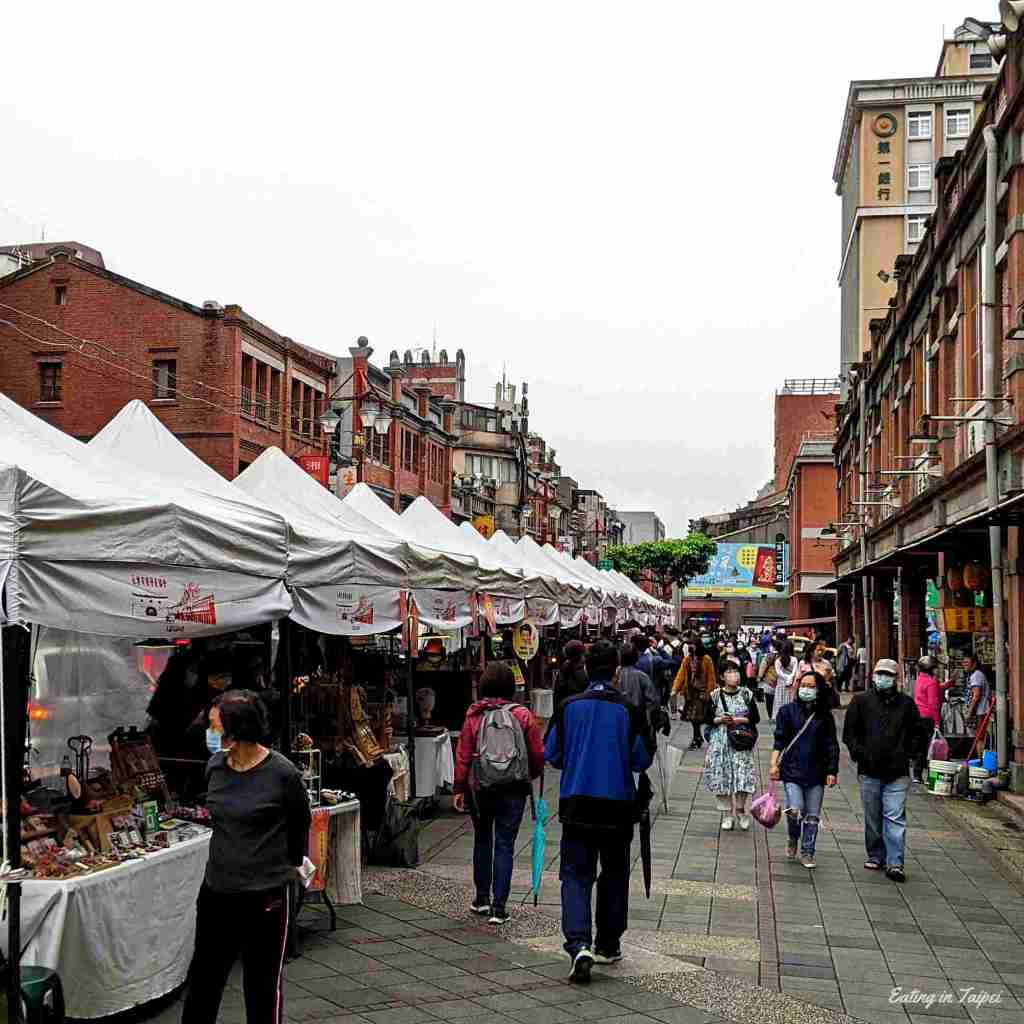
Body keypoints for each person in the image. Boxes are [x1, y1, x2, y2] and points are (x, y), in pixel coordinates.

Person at [181, 691, 312, 1024]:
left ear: (236, 730)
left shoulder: (282, 773)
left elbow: (300, 822)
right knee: (204, 981)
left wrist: (289, 862)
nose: (208, 732)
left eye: (214, 726)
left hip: (265, 896)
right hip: (217, 891)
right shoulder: (215, 766)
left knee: (262, 986)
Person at [545, 640, 652, 983]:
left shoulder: (568, 707)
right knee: (614, 874)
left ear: (587, 670)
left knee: (575, 875)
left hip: (576, 802)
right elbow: (641, 759)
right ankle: (607, 943)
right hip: (618, 806)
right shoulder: (628, 709)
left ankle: (578, 944)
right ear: (616, 671)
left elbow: (552, 754)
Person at [453, 662, 545, 924]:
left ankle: (481, 898)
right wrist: (529, 774)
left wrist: (459, 787)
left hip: (480, 789)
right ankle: (499, 907)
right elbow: (537, 754)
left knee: (482, 840)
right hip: (513, 789)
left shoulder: (474, 715)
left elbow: (463, 755)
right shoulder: (523, 715)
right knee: (505, 844)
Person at [842, 658, 924, 883]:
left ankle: (895, 862)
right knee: (873, 815)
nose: (883, 678)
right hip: (869, 769)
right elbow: (850, 732)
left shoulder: (907, 704)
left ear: (896, 678)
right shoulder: (861, 701)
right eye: (880, 674)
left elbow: (918, 733)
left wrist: (909, 753)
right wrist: (859, 752)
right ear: (874, 676)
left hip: (897, 771)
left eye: (888, 674)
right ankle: (876, 854)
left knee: (895, 816)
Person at [769, 670, 839, 868]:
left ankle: (808, 852)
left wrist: (832, 771)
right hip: (792, 770)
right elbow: (779, 740)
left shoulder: (825, 716)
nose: (806, 689)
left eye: (811, 686)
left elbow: (832, 745)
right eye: (803, 685)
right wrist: (773, 764)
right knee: (795, 809)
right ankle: (793, 837)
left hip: (817, 772)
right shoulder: (787, 712)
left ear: (818, 690)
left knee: (812, 816)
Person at [703, 661, 760, 831]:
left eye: (736, 671)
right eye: (729, 672)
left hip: (740, 741)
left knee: (743, 775)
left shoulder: (746, 694)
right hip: (720, 742)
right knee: (722, 776)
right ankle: (727, 814)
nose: (734, 675)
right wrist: (720, 719)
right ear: (722, 676)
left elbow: (755, 718)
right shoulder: (714, 695)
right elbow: (707, 718)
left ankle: (741, 811)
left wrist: (739, 719)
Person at [672, 637, 717, 749]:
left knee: (697, 717)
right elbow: (681, 674)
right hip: (690, 692)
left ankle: (697, 738)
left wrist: (710, 693)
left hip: (702, 692)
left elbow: (711, 677)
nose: (690, 647)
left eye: (693, 645)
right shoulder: (687, 659)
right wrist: (675, 689)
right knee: (692, 717)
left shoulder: (706, 659)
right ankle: (697, 737)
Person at [912, 655, 951, 783]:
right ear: (931, 669)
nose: (937, 669)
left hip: (918, 716)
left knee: (920, 746)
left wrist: (946, 685)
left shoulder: (920, 679)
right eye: (936, 667)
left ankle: (917, 775)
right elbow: (933, 704)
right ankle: (931, 775)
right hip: (928, 718)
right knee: (932, 748)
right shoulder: (931, 682)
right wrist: (937, 722)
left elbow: (935, 689)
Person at [554, 640, 588, 707]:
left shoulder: (563, 668)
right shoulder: (584, 669)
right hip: (580, 706)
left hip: (566, 706)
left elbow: (558, 694)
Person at [961, 651, 990, 727]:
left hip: (979, 711)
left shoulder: (976, 675)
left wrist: (969, 712)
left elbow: (976, 695)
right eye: (963, 662)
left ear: (974, 664)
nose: (964, 664)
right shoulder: (975, 674)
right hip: (979, 711)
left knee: (978, 733)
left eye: (967, 662)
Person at [772, 641, 798, 720]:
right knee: (790, 700)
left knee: (779, 701)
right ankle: (789, 717)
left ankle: (778, 717)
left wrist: (786, 677)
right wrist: (790, 677)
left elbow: (778, 672)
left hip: (781, 683)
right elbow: (794, 672)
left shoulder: (778, 660)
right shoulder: (794, 659)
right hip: (791, 684)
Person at [757, 641, 779, 719]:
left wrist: (759, 677)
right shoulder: (784, 655)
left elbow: (763, 665)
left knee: (769, 700)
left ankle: (771, 715)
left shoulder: (770, 656)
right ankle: (774, 715)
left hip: (770, 680)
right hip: (778, 681)